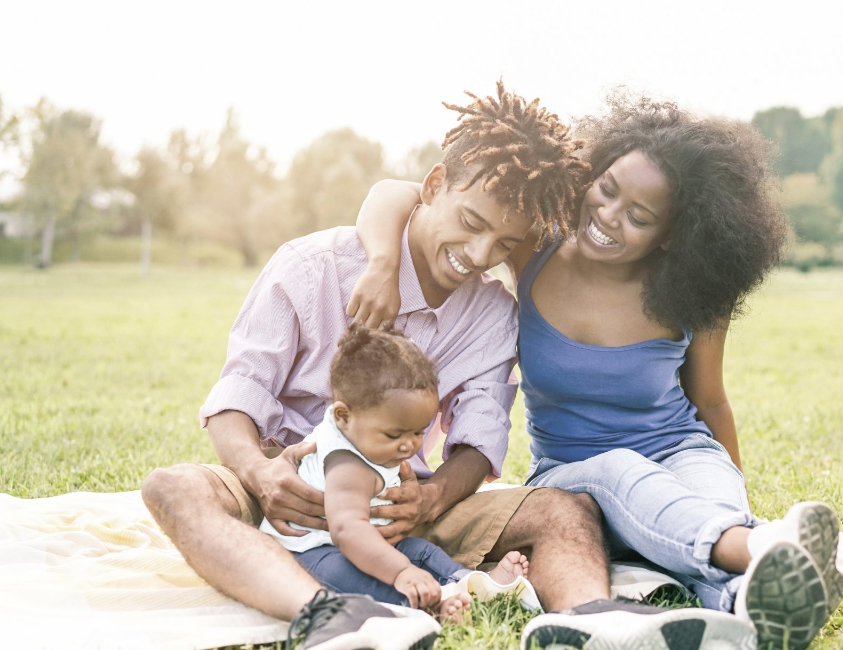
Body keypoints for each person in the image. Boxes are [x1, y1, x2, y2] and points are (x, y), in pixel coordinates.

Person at [142, 83, 757, 650]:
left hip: (396, 504)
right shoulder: (313, 268)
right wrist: (258, 473)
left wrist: (432, 495)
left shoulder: (491, 313)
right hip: (286, 486)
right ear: (434, 185)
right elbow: (238, 394)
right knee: (172, 488)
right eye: (470, 225)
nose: (478, 256)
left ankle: (591, 619)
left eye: (500, 243)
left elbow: (480, 440)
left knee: (566, 508)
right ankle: (326, 612)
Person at [350, 93, 843, 650]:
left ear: (670, 234)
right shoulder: (535, 248)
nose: (609, 217)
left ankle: (749, 604)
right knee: (618, 470)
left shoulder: (693, 291)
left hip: (681, 453)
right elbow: (395, 192)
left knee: (706, 514)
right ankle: (764, 547)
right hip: (575, 477)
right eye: (606, 190)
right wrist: (382, 262)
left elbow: (711, 403)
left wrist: (731, 492)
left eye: (639, 217)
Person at [260, 323, 531, 622]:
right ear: (343, 416)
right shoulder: (348, 465)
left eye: (418, 432)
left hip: (367, 539)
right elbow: (347, 531)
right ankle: (426, 607)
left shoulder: (360, 428)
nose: (409, 445)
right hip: (309, 553)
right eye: (394, 435)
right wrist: (401, 571)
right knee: (353, 575)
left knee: (419, 551)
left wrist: (404, 563)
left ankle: (473, 583)